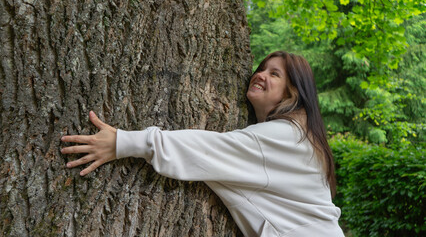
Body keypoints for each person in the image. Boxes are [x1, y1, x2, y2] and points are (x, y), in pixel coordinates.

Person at [61, 51, 345, 236]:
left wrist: (123, 142)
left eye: (275, 74)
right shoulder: (298, 138)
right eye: (262, 68)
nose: (260, 75)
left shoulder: (286, 136)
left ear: (292, 93)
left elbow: (206, 149)